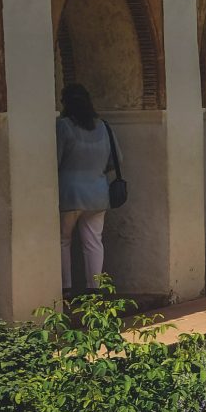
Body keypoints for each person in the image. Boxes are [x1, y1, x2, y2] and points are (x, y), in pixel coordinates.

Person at [55, 83, 116, 297]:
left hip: (69, 193)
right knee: (93, 241)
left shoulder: (63, 126)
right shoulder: (104, 127)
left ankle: (66, 288)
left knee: (63, 240)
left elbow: (55, 159)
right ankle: (94, 289)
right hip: (98, 193)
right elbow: (115, 161)